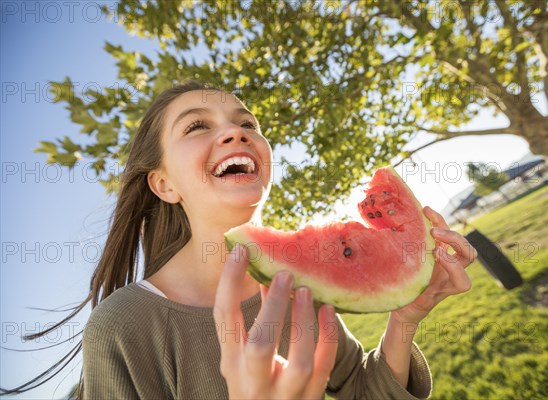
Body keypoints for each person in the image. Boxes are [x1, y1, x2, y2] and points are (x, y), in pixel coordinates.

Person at [5, 80, 477, 399]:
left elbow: (361, 389)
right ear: (163, 184)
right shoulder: (124, 326)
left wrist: (404, 318)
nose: (236, 131)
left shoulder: (297, 287)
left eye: (247, 124)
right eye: (196, 126)